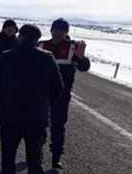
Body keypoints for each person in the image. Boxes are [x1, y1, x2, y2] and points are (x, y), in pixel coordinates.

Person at [0, 24, 65, 174]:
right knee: (34, 160)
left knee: (8, 159)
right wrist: (45, 105)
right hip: (35, 117)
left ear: (19, 37)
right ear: (36, 40)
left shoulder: (5, 57)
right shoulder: (47, 58)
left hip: (9, 116)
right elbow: (58, 87)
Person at [37, 18, 91, 169]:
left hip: (61, 96)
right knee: (39, 125)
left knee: (58, 127)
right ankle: (37, 154)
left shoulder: (72, 47)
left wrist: (82, 58)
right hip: (42, 95)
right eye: (55, 29)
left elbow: (84, 67)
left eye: (61, 30)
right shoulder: (41, 45)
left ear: (66, 32)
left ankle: (56, 157)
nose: (57, 33)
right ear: (51, 30)